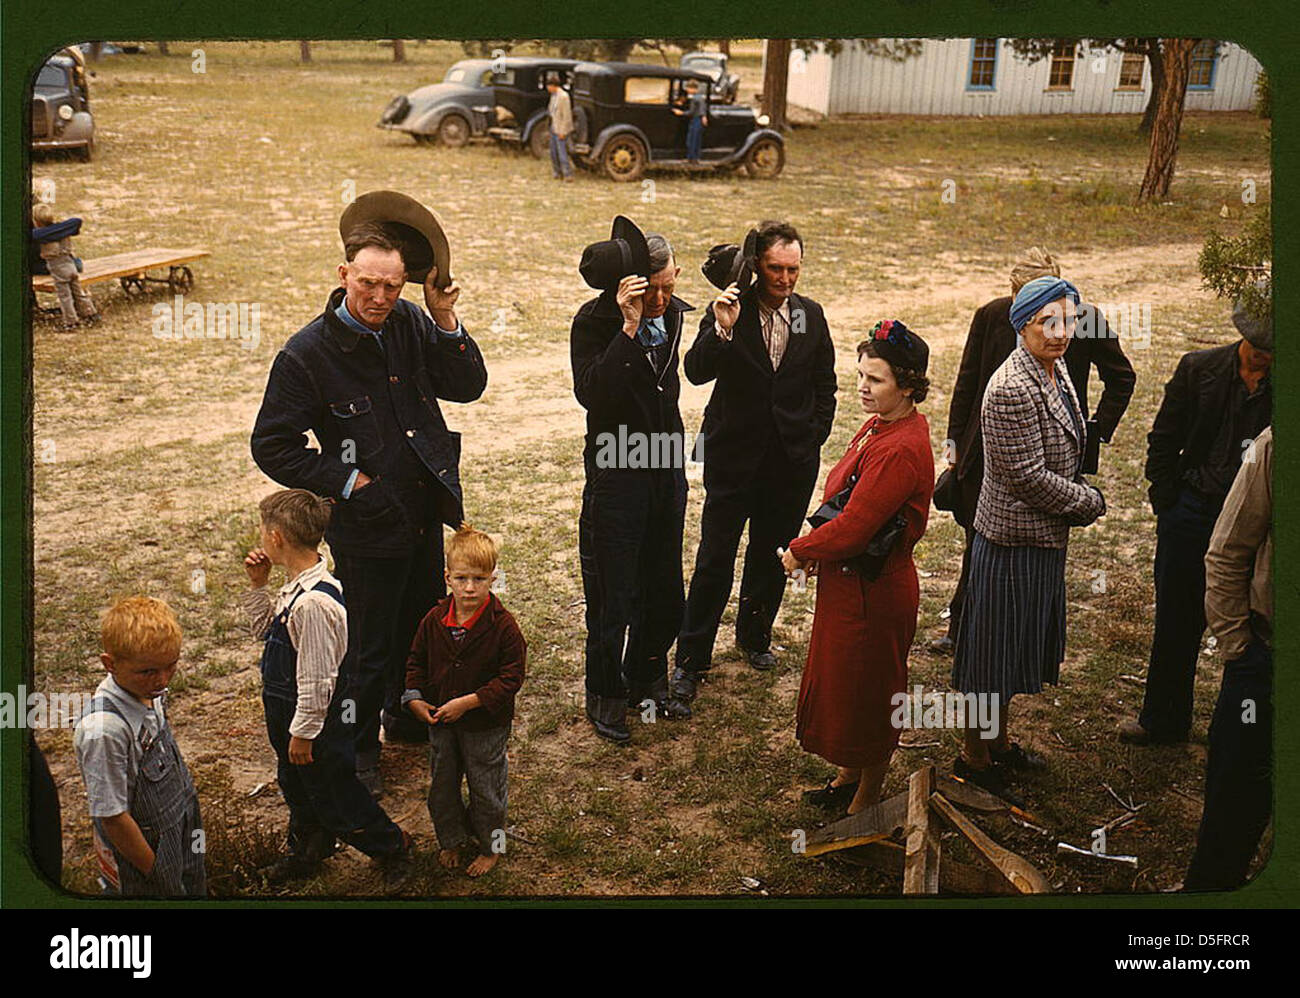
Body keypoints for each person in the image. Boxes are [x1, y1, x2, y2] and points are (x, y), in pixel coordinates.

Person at [251, 191, 488, 797]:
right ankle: (356, 754)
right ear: (344, 275)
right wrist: (349, 481)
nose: (381, 298)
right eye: (369, 285)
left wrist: (441, 318)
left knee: (418, 627)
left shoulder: (410, 320)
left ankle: (401, 723)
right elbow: (272, 445)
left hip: (421, 510)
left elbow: (468, 384)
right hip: (364, 524)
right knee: (363, 647)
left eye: (394, 286)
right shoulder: (307, 354)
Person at [932, 247, 1134, 654]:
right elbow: (966, 382)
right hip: (984, 449)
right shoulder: (991, 315)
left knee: (1039, 542)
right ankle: (963, 627)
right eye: (1026, 298)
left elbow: (1121, 378)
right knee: (981, 537)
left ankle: (1023, 640)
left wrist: (1093, 434)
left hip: (1049, 451)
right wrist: (955, 446)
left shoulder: (1084, 320)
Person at [951, 276, 1106, 804]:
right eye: (1049, 322)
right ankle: (973, 756)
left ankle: (999, 740)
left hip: (1040, 539)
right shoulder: (1012, 386)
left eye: (1069, 321)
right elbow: (1026, 477)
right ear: (1023, 325)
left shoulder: (1053, 367)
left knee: (1011, 651)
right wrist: (1088, 501)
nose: (1061, 333)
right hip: (1011, 540)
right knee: (987, 657)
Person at [674, 221, 836, 713]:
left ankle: (754, 635)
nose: (785, 279)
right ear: (755, 267)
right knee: (715, 559)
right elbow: (696, 370)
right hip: (732, 457)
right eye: (775, 269)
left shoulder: (811, 315)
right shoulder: (730, 310)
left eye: (793, 269)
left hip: (790, 463)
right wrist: (722, 327)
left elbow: (824, 384)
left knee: (771, 555)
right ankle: (691, 658)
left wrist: (811, 437)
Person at [781, 322, 934, 814]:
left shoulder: (901, 447)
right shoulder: (880, 425)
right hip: (851, 585)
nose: (863, 388)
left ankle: (866, 800)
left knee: (871, 696)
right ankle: (850, 777)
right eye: (861, 376)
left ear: (908, 385)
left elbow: (854, 528)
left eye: (877, 380)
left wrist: (801, 549)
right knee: (848, 689)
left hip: (875, 592)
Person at [1118, 289, 1272, 745]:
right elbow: (1163, 440)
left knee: (1249, 630)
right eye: (1260, 346)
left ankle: (1241, 729)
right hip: (1191, 514)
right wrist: (1168, 503)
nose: (1266, 357)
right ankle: (1163, 720)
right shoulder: (1197, 368)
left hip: (1253, 531)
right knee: (1176, 622)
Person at [243, 489, 411, 882]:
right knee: (298, 788)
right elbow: (261, 632)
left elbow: (318, 681)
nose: (262, 538)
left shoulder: (313, 604)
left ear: (277, 538)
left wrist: (303, 734)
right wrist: (257, 586)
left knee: (337, 795)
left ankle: (392, 847)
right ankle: (309, 850)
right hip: (289, 717)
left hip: (313, 724)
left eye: (263, 531)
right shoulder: (295, 589)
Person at [571, 216, 693, 742]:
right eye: (656, 288)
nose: (665, 298)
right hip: (616, 472)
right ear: (632, 285)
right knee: (612, 593)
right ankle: (606, 694)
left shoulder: (675, 316)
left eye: (671, 285)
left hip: (664, 467)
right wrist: (626, 329)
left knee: (664, 587)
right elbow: (594, 393)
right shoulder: (593, 323)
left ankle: (647, 677)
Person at [403, 524, 526, 878]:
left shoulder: (504, 627)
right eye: (461, 578)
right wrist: (415, 699)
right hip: (441, 723)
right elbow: (415, 662)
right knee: (442, 785)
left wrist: (470, 702)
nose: (469, 588)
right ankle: (452, 839)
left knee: (487, 789)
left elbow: (511, 678)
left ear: (493, 579)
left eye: (479, 579)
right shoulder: (433, 620)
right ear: (447, 578)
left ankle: (492, 846)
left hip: (485, 725)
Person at [1184, 424, 1272, 890]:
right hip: (1265, 662)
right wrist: (1239, 649)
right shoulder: (1275, 447)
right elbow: (1227, 551)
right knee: (1233, 806)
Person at [73, 597, 205, 897]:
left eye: (170, 666)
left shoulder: (149, 690)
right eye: (148, 672)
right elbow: (112, 816)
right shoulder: (103, 731)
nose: (162, 680)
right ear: (110, 664)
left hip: (181, 826)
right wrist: (156, 872)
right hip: (143, 855)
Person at [31, 202, 101, 330]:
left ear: (37, 222)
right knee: (79, 293)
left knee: (65, 297)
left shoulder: (41, 236)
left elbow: (35, 236)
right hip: (71, 266)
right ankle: (91, 314)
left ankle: (71, 321)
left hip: (59, 270)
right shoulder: (63, 231)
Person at [545, 71, 574, 181]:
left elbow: (566, 115)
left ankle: (567, 173)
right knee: (553, 151)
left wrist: (563, 131)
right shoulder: (554, 96)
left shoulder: (563, 96)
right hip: (554, 125)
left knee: (562, 152)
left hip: (561, 127)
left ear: (553, 86)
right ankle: (557, 171)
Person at [673, 78, 708, 163]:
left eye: (689, 88)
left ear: (694, 89)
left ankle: (692, 158)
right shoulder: (699, 98)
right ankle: (694, 157)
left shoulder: (695, 99)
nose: (688, 90)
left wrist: (681, 113)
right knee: (694, 139)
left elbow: (692, 112)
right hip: (697, 120)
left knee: (692, 139)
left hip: (696, 120)